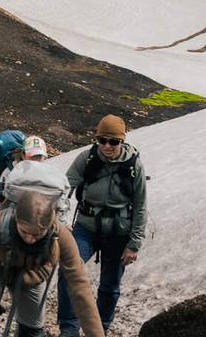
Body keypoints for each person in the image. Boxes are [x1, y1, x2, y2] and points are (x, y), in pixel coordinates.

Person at [0, 161, 105, 337]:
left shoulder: (61, 236)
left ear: (50, 225)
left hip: (35, 272)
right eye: (24, 232)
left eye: (37, 234)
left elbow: (80, 288)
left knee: (32, 331)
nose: (29, 238)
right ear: (16, 218)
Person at [57, 115, 147, 337]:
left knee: (110, 285)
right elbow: (62, 189)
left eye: (113, 141)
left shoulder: (134, 165)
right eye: (102, 140)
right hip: (86, 227)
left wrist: (134, 243)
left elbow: (141, 205)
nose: (107, 146)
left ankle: (100, 330)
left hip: (119, 232)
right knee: (69, 269)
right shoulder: (86, 159)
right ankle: (69, 328)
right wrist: (61, 221)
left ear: (122, 141)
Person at [0, 136, 49, 214]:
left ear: (44, 157)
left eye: (39, 156)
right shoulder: (9, 173)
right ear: (23, 155)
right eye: (32, 156)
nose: (36, 160)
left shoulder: (47, 173)